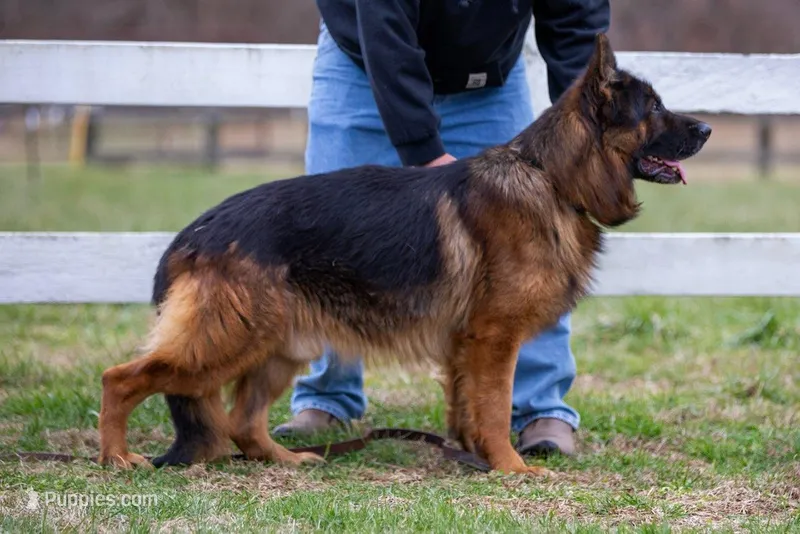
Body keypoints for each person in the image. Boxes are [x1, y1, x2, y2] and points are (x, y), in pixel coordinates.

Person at [273, 0, 610, 457]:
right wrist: (423, 148)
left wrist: (588, 119)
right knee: (328, 232)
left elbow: (576, 13)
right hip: (367, 59)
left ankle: (540, 409)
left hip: (487, 73)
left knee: (531, 245)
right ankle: (326, 396)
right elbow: (384, 22)